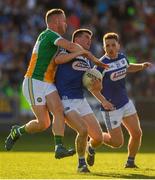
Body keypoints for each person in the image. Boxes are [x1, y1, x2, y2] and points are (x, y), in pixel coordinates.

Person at [4, 9, 90, 159]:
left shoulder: (52, 37)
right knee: (43, 123)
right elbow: (70, 46)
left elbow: (62, 55)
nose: (66, 23)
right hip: (34, 81)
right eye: (64, 20)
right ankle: (17, 131)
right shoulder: (50, 34)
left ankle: (59, 147)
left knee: (58, 111)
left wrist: (80, 54)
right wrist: (87, 54)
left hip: (48, 82)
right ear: (56, 22)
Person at [54, 29, 114, 172]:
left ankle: (90, 147)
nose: (89, 40)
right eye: (86, 37)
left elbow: (91, 86)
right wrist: (79, 52)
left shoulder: (87, 60)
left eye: (90, 38)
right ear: (76, 40)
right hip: (66, 100)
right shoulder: (66, 50)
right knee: (83, 130)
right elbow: (57, 60)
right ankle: (81, 164)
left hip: (81, 100)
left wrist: (101, 95)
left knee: (98, 138)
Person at [95, 32, 152, 168]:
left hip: (125, 103)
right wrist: (104, 101)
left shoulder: (122, 57)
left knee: (137, 133)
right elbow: (93, 88)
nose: (110, 48)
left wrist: (141, 66)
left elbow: (128, 67)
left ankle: (130, 162)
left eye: (113, 45)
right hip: (111, 108)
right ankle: (94, 139)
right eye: (107, 45)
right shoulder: (100, 65)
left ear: (118, 46)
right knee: (116, 142)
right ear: (104, 47)